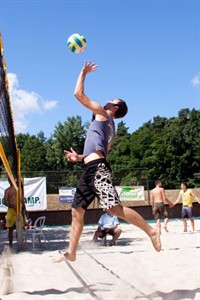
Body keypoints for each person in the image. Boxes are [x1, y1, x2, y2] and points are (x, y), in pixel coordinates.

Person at [54, 61, 161, 263]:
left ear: (114, 107)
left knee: (114, 209)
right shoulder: (111, 128)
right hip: (91, 167)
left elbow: (78, 94)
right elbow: (100, 151)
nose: (106, 101)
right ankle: (72, 252)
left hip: (97, 170)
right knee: (76, 211)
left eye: (110, 100)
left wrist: (83, 72)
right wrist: (79, 158)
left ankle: (151, 231)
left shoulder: (103, 114)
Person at [3, 178, 26, 247]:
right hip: (11, 210)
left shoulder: (18, 190)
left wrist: (25, 209)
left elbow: (22, 200)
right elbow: (5, 201)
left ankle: (20, 244)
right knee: (10, 228)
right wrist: (12, 205)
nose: (10, 181)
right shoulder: (7, 190)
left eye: (11, 180)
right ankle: (10, 245)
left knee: (20, 228)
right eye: (9, 180)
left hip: (19, 210)